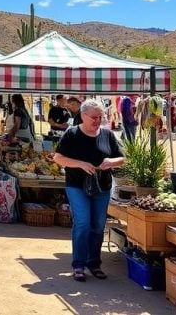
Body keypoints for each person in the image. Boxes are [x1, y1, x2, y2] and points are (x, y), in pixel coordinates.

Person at [53, 98, 125, 282]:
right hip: (77, 185)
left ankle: (94, 263)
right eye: (93, 117)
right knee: (83, 222)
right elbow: (58, 158)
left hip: (102, 186)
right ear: (83, 116)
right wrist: (80, 164)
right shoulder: (72, 134)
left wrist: (111, 162)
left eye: (100, 117)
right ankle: (78, 265)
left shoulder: (107, 135)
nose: (97, 121)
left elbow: (122, 158)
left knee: (98, 225)